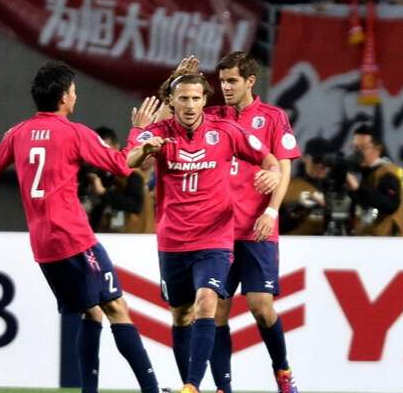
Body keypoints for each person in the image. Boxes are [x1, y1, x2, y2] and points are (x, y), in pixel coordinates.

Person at [0, 62, 164, 393]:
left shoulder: (17, 133)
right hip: (74, 238)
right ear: (64, 97)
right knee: (116, 307)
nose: (76, 95)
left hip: (43, 246)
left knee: (91, 313)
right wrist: (139, 131)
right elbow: (122, 164)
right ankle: (152, 390)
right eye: (74, 90)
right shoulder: (74, 133)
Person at [127, 73, 281, 393]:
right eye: (183, 98)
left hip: (214, 238)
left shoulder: (225, 131)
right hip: (173, 240)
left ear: (204, 100)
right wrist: (144, 146)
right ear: (172, 101)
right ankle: (190, 383)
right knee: (181, 315)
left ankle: (191, 386)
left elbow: (268, 157)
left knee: (207, 301)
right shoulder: (158, 132)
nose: (190, 105)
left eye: (196, 98)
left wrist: (273, 172)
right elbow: (129, 160)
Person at [169, 52, 302, 392]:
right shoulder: (212, 115)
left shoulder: (272, 117)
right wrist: (176, 79)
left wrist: (271, 210)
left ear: (250, 81)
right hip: (217, 232)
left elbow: (283, 167)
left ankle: (282, 371)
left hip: (257, 228)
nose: (225, 87)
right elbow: (169, 115)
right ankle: (222, 387)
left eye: (232, 81)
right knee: (216, 312)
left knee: (261, 306)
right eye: (222, 81)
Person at [346, 124, 403, 236]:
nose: (358, 153)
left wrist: (358, 189)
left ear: (378, 149)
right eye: (355, 147)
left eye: (363, 148)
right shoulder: (369, 172)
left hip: (395, 241)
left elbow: (389, 205)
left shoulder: (389, 172)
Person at [281, 137, 332, 235]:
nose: (321, 165)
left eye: (326, 161)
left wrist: (329, 207)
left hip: (333, 242)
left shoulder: (336, 188)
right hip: (296, 241)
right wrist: (298, 208)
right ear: (304, 158)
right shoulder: (289, 186)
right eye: (316, 160)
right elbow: (278, 227)